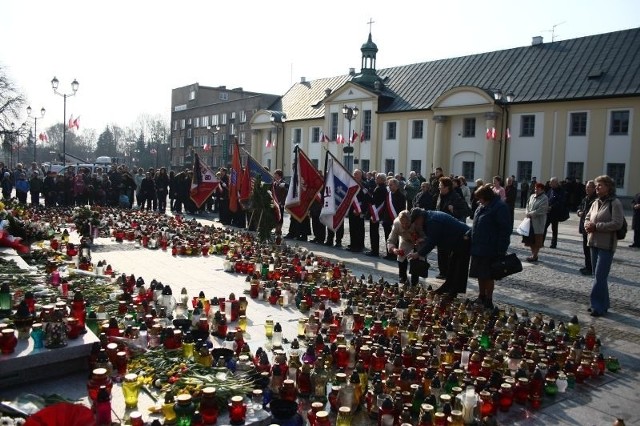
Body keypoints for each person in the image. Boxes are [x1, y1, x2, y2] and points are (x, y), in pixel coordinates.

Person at [584, 175, 625, 317]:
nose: (596, 188)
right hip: (593, 242)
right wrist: (587, 225)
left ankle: (596, 305)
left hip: (606, 244)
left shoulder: (615, 203)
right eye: (596, 185)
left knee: (600, 276)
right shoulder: (595, 202)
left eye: (600, 185)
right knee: (597, 275)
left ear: (608, 187)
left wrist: (597, 226)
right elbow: (588, 217)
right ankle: (604, 303)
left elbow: (617, 223)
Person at [409, 208, 471, 298]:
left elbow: (432, 242)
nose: (416, 224)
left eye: (416, 222)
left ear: (420, 217)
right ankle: (447, 287)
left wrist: (418, 254)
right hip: (457, 239)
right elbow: (435, 236)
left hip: (464, 239)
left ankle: (453, 292)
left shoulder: (432, 221)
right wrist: (424, 239)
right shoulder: (429, 217)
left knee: (459, 267)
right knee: (452, 265)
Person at [468, 184, 512, 309]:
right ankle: (481, 296)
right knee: (479, 274)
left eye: (480, 198)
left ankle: (488, 299)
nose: (478, 201)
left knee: (488, 275)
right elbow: (476, 224)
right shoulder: (482, 206)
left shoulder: (500, 207)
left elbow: (505, 229)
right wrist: (468, 234)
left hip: (490, 247)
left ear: (486, 197)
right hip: (478, 246)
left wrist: (501, 249)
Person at [434, 176, 469, 279]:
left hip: (451, 230)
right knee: (441, 252)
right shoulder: (440, 195)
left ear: (447, 187)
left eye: (441, 186)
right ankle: (442, 272)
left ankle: (449, 273)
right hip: (441, 228)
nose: (439, 188)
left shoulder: (455, 197)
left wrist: (454, 210)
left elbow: (466, 211)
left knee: (448, 253)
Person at [387, 210, 425, 286]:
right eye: (402, 223)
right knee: (401, 257)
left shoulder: (416, 223)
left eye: (407, 223)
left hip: (419, 241)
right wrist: (394, 249)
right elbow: (391, 240)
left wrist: (420, 239)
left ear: (410, 220)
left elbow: (426, 235)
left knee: (417, 258)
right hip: (405, 240)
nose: (404, 225)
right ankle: (402, 278)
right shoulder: (396, 224)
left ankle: (415, 282)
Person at [381, 178, 407, 260]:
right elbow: (385, 207)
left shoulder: (401, 196)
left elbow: (402, 210)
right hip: (387, 220)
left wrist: (398, 220)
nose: (389, 186)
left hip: (396, 221)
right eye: (389, 185)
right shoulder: (388, 195)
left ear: (396, 185)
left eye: (391, 185)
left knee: (396, 238)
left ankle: (395, 254)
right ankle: (389, 253)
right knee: (388, 237)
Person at [523, 183, 549, 262]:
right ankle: (533, 254)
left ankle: (535, 255)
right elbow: (527, 205)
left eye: (537, 189)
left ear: (542, 190)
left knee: (537, 239)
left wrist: (531, 213)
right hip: (530, 221)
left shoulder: (544, 198)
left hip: (538, 222)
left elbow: (541, 210)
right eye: (535, 189)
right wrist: (527, 212)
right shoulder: (532, 196)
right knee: (530, 239)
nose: (536, 190)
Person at [366, 173, 388, 258]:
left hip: (377, 212)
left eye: (378, 178)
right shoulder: (380, 187)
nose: (376, 179)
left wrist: (368, 195)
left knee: (374, 232)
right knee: (373, 232)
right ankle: (374, 249)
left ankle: (374, 250)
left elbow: (375, 201)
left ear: (382, 179)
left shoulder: (380, 189)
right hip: (377, 212)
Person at [577, 181, 597, 275]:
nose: (587, 189)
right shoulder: (585, 198)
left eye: (589, 187)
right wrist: (579, 211)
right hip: (584, 226)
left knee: (590, 249)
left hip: (591, 227)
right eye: (586, 187)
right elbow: (580, 207)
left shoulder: (596, 200)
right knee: (585, 248)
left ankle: (591, 268)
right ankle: (587, 266)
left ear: (594, 188)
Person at [347, 169, 367, 252]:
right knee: (352, 227)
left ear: (361, 175)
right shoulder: (351, 184)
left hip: (360, 210)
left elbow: (365, 199)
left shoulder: (364, 185)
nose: (355, 175)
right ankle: (353, 244)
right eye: (354, 174)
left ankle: (359, 245)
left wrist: (360, 209)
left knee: (359, 228)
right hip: (352, 209)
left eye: (357, 174)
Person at [544, 177, 567, 248]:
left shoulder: (561, 190)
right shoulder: (550, 190)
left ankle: (553, 244)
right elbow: (547, 198)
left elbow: (561, 201)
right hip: (548, 212)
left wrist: (552, 206)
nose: (550, 183)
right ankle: (541, 242)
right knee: (544, 227)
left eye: (551, 182)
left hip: (555, 213)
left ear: (556, 183)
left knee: (554, 229)